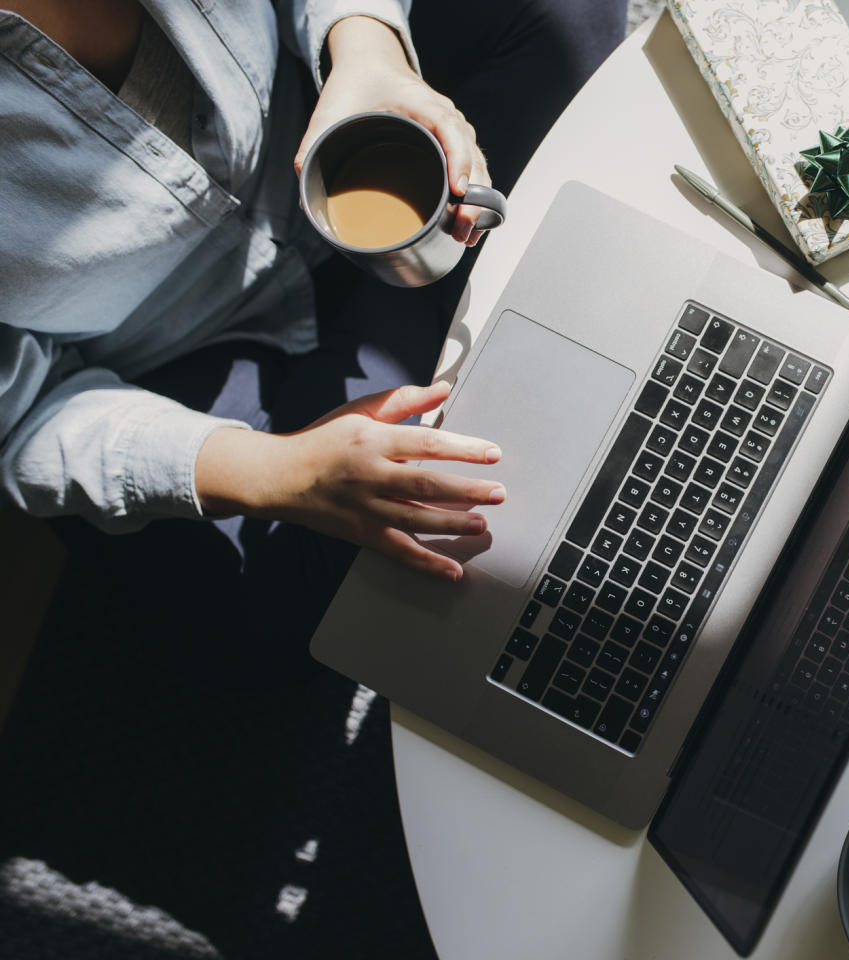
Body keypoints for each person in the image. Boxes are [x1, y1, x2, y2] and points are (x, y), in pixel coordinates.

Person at [0, 0, 627, 668]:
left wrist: (366, 46)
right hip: (186, 350)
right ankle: (456, 289)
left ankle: (428, 312)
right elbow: (21, 421)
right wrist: (289, 473)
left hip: (325, 120)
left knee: (567, 14)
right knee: (270, 610)